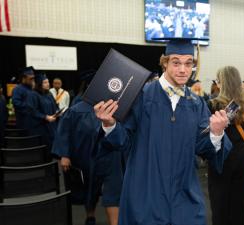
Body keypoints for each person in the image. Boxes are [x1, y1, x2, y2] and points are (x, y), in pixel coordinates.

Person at [94, 37, 232, 225]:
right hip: (146, 193)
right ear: (165, 63)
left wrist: (216, 133)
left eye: (188, 63)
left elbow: (203, 148)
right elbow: (122, 141)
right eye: (176, 63)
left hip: (184, 196)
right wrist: (109, 124)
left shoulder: (196, 103)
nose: (183, 69)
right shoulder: (141, 96)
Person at [52, 73, 124, 225]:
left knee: (114, 189)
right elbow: (64, 131)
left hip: (111, 156)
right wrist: (65, 155)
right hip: (85, 156)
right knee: (89, 190)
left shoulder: (113, 106)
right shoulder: (77, 109)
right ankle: (90, 215)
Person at [207, 66, 244, 225]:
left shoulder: (213, 105)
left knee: (220, 203)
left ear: (221, 83)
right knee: (239, 204)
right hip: (242, 157)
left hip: (222, 157)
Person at [27, 73, 58, 147]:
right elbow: (32, 111)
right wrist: (45, 117)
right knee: (44, 148)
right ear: (39, 84)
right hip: (40, 127)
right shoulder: (33, 95)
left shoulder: (49, 94)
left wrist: (58, 112)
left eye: (48, 82)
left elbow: (55, 106)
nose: (48, 84)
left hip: (51, 126)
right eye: (45, 82)